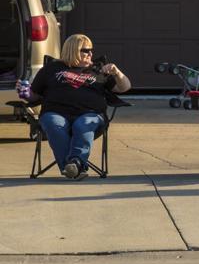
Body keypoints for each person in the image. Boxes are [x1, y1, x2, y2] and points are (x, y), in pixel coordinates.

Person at [27, 33, 131, 179]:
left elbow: (124, 88)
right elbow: (34, 95)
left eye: (91, 50)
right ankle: (74, 167)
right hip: (56, 112)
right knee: (53, 123)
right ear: (72, 50)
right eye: (86, 50)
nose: (90, 54)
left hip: (90, 113)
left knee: (83, 124)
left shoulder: (99, 70)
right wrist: (25, 93)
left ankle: (74, 165)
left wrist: (117, 72)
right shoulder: (51, 69)